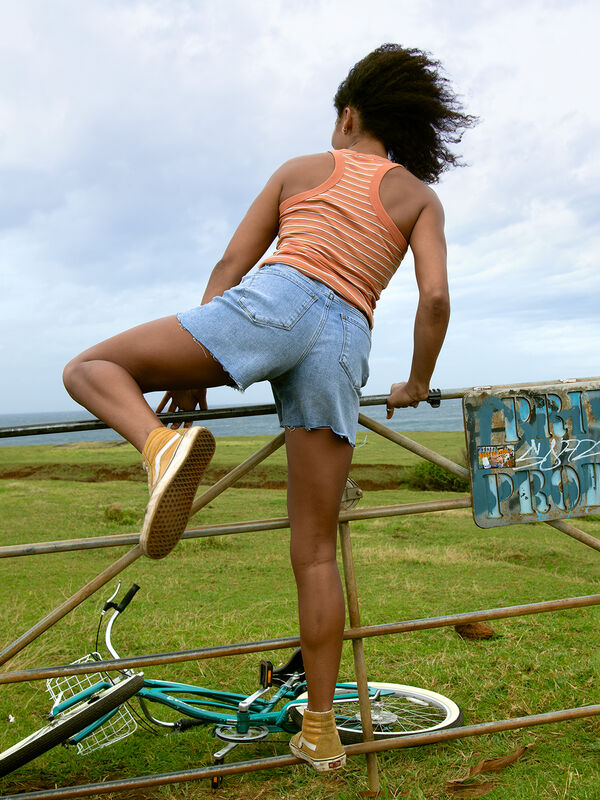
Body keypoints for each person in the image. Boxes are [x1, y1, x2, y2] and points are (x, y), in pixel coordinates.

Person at [63, 43, 475, 772]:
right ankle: (320, 732)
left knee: (89, 368)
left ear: (349, 116)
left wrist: (198, 363)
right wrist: (416, 382)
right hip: (345, 342)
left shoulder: (300, 170)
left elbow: (233, 266)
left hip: (274, 303)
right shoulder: (420, 199)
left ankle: (160, 446)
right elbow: (435, 297)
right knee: (314, 553)